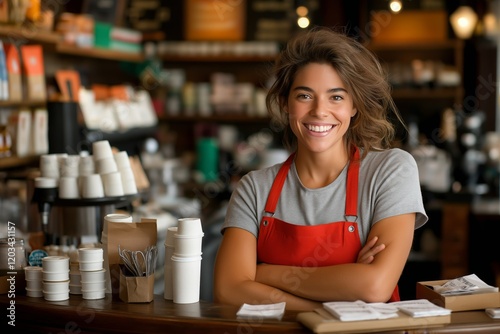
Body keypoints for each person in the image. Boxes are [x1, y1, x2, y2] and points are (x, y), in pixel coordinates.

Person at [213, 27, 428, 311]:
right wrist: (331, 302)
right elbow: (229, 290)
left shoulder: (390, 171)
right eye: (304, 96)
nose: (319, 111)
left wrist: (264, 274)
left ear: (354, 106)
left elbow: (375, 286)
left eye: (336, 97)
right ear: (285, 103)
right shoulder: (254, 188)